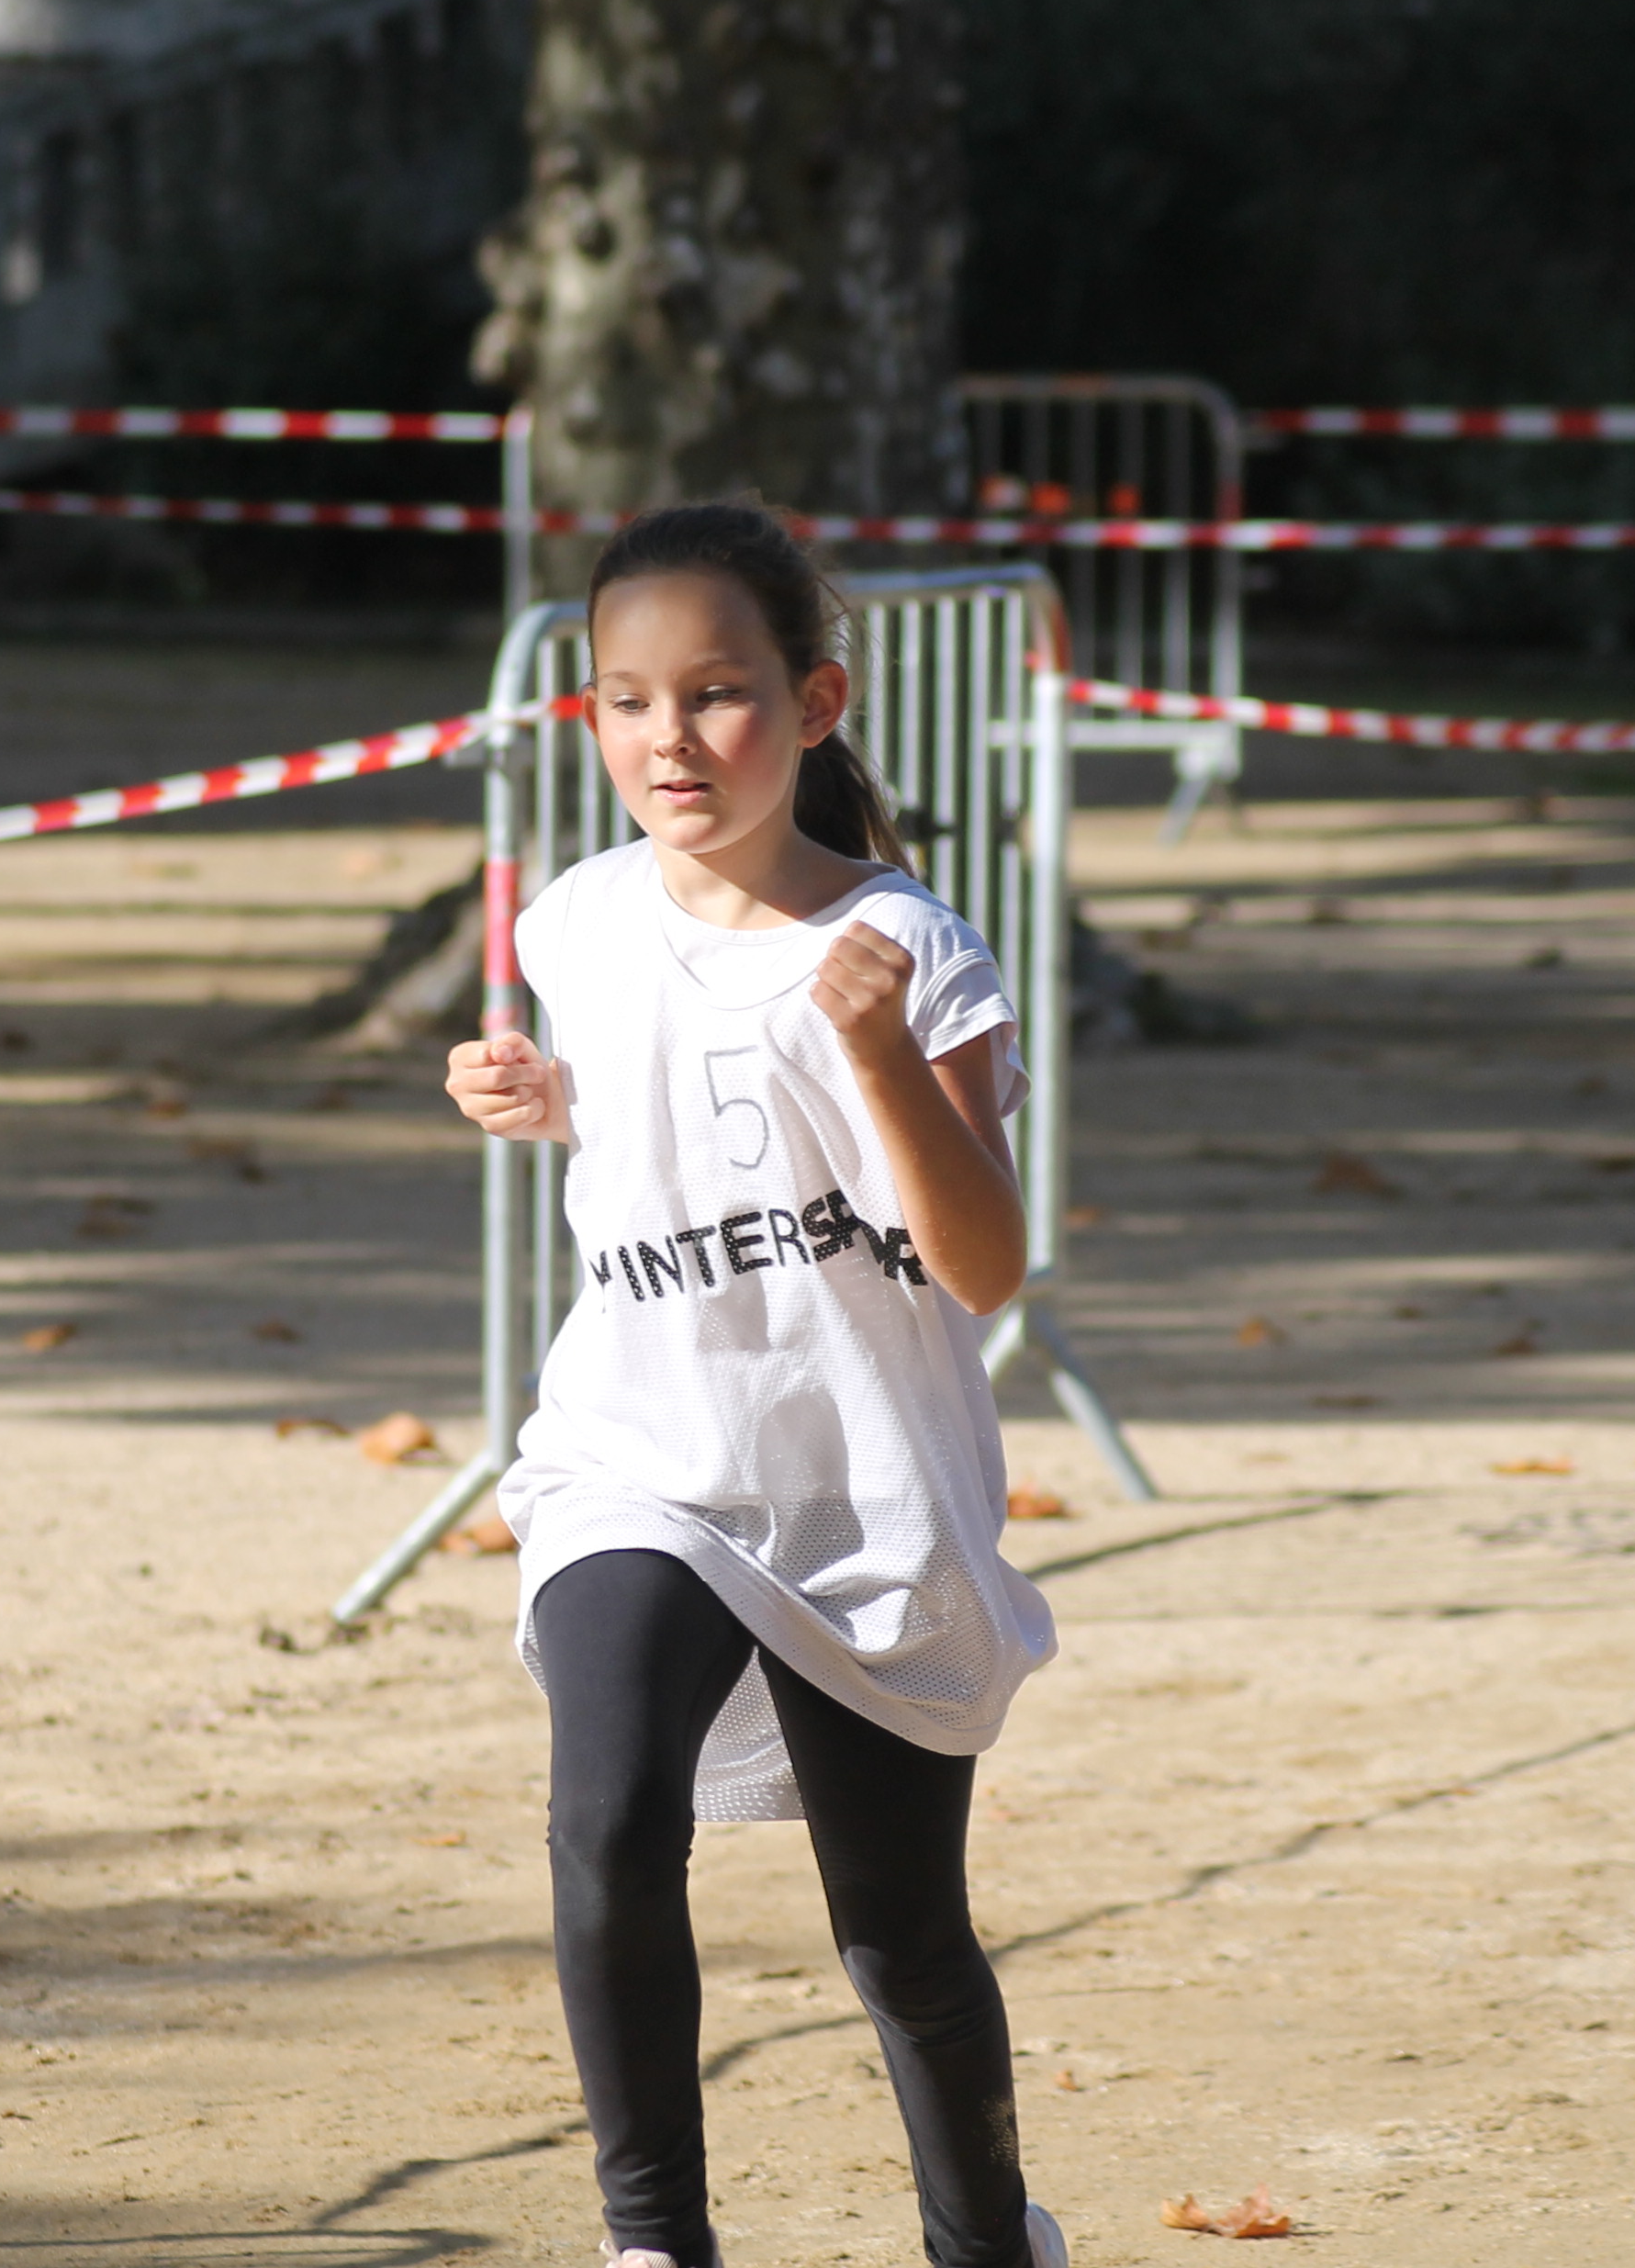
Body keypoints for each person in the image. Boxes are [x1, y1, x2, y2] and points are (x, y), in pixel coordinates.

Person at [443, 504, 1070, 2268]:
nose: (670, 736)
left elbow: (983, 1261)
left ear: (814, 703)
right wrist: (543, 1100)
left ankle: (988, 2240)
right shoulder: (576, 918)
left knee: (898, 1937)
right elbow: (661, 1115)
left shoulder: (908, 946)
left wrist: (870, 1043)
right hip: (635, 1458)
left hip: (860, 1495)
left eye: (715, 693)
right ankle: (655, 2240)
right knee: (605, 1822)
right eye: (627, 699)